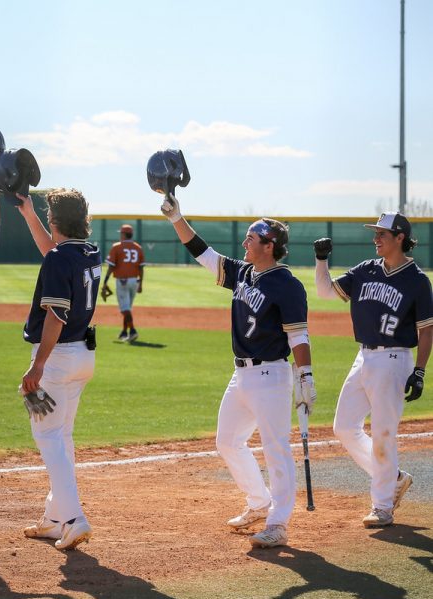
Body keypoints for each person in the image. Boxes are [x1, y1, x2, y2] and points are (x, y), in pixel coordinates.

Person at [160, 194, 315, 548]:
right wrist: (176, 218)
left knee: (276, 449)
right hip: (241, 375)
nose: (244, 242)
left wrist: (305, 376)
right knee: (227, 441)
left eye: (251, 238)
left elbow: (298, 335)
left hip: (271, 376)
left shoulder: (287, 285)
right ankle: (259, 503)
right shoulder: (245, 272)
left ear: (269, 245)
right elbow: (204, 254)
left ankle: (278, 523)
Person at [314, 212, 432, 528]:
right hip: (363, 356)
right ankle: (392, 478)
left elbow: (426, 330)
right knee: (343, 427)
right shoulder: (365, 270)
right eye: (376, 233)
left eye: (382, 234)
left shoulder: (417, 281)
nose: (376, 238)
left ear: (400, 238)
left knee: (383, 434)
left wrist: (419, 371)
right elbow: (325, 292)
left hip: (394, 360)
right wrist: (321, 260)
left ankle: (382, 506)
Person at [15, 188, 100, 551]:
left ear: (55, 221)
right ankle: (54, 518)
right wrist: (29, 213)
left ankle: (74, 519)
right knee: (61, 436)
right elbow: (55, 253)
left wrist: (37, 366)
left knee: (48, 439)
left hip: (58, 358)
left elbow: (55, 315)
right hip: (82, 357)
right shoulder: (88, 252)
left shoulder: (58, 259)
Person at [101, 223, 146, 342]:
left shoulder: (117, 247)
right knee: (128, 308)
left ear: (124, 234)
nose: (120, 235)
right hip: (134, 281)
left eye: (121, 233)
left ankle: (133, 331)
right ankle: (124, 332)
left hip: (123, 281)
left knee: (125, 308)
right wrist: (141, 283)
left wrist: (105, 282)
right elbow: (141, 268)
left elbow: (111, 267)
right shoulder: (138, 247)